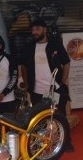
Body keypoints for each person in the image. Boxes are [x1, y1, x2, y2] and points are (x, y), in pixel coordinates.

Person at [19, 18, 73, 152]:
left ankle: (65, 143)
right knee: (39, 118)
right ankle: (40, 144)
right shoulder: (29, 47)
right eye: (32, 30)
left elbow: (66, 62)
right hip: (36, 90)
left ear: (45, 30)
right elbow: (23, 66)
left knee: (60, 116)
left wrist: (63, 82)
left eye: (37, 29)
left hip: (54, 89)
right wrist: (25, 83)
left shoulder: (55, 44)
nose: (34, 32)